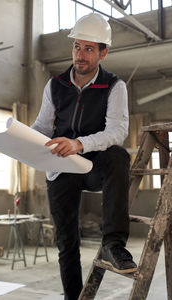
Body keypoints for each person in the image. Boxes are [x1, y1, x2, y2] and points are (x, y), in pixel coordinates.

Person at [32, 13, 137, 300]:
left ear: (104, 52)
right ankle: (73, 297)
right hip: (60, 168)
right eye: (77, 46)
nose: (81, 54)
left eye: (89, 48)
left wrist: (79, 144)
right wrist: (11, 140)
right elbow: (41, 127)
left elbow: (117, 131)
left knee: (118, 155)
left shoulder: (114, 86)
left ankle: (114, 244)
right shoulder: (55, 85)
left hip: (93, 163)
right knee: (66, 242)